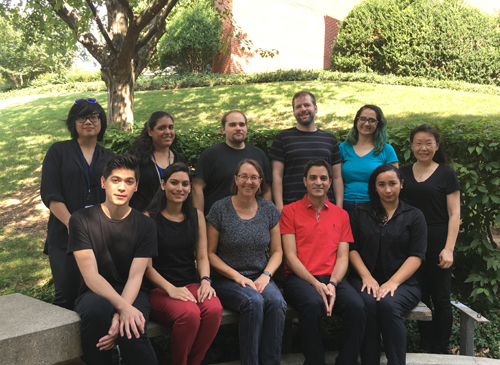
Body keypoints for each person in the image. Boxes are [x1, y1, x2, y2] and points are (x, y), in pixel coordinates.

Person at [68, 154, 158, 365]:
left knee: (132, 327)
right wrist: (123, 309)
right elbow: (90, 275)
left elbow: (136, 276)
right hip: (94, 291)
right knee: (97, 311)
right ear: (103, 182)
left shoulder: (146, 225)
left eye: (129, 182)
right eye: (115, 180)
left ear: (136, 186)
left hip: (133, 291)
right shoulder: (81, 220)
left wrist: (121, 314)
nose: (121, 187)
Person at [281, 158, 366, 365]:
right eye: (313, 178)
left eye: (323, 178)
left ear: (330, 182)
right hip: (298, 278)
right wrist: (314, 283)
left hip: (332, 278)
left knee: (357, 307)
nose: (318, 182)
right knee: (312, 303)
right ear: (304, 181)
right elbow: (290, 256)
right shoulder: (289, 211)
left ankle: (346, 361)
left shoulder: (342, 214)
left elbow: (343, 256)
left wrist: (333, 283)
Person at [206, 159, 286, 365]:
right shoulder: (220, 209)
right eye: (244, 176)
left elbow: (277, 251)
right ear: (236, 179)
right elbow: (210, 254)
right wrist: (238, 277)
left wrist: (266, 276)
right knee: (254, 301)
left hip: (259, 276)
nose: (248, 182)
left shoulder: (268, 210)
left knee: (277, 302)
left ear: (260, 181)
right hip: (227, 279)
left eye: (254, 177)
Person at [144, 162, 223, 365]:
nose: (180, 188)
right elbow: (146, 267)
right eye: (174, 183)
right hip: (159, 289)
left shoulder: (196, 216)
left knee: (214, 309)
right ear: (163, 184)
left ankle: (193, 362)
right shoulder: (148, 218)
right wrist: (171, 289)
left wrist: (205, 281)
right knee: (189, 313)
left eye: (185, 184)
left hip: (190, 284)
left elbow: (203, 256)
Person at [349, 164, 427, 365]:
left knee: (388, 304)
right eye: (381, 185)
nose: (388, 189)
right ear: (375, 187)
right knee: (366, 303)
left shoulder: (415, 215)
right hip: (364, 278)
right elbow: (352, 249)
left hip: (404, 283)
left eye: (392, 183)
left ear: (401, 184)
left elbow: (416, 256)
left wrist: (393, 283)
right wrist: (366, 277)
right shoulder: (360, 213)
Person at [40, 98, 114, 310]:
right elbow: (51, 193)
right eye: (81, 117)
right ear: (73, 122)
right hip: (64, 237)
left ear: (101, 122)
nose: (88, 121)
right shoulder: (58, 151)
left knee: (98, 296)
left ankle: (97, 341)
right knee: (65, 297)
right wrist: (72, 224)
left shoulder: (110, 157)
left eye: (93, 116)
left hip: (101, 237)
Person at [400, 125, 460, 354]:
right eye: (418, 143)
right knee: (420, 296)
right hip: (410, 242)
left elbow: (455, 214)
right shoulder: (402, 174)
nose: (423, 148)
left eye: (428, 143)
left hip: (438, 242)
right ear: (411, 146)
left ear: (437, 145)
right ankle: (425, 346)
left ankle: (440, 348)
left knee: (441, 298)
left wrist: (449, 249)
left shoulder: (447, 174)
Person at [269, 91, 343, 212]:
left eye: (307, 105)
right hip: (291, 208)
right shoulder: (282, 137)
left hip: (325, 209)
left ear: (315, 108)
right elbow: (277, 175)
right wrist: (279, 206)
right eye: (298, 106)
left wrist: (339, 208)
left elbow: (336, 177)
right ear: (293, 112)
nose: (303, 109)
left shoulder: (330, 139)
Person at [193, 110, 272, 216]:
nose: (238, 128)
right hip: (217, 224)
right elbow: (197, 187)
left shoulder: (258, 154)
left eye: (242, 124)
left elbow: (266, 190)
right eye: (232, 125)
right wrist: (199, 222)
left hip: (252, 222)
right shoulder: (211, 154)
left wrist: (265, 218)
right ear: (223, 129)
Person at [340, 105, 398, 216]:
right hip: (346, 205)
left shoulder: (386, 150)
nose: (366, 123)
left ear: (378, 124)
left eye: (371, 120)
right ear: (356, 121)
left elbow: (394, 183)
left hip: (375, 206)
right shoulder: (343, 148)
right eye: (362, 119)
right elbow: (337, 179)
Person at [129, 111, 187, 212]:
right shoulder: (137, 159)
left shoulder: (180, 161)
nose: (168, 132)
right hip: (142, 220)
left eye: (170, 127)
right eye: (161, 128)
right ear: (150, 132)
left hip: (171, 220)